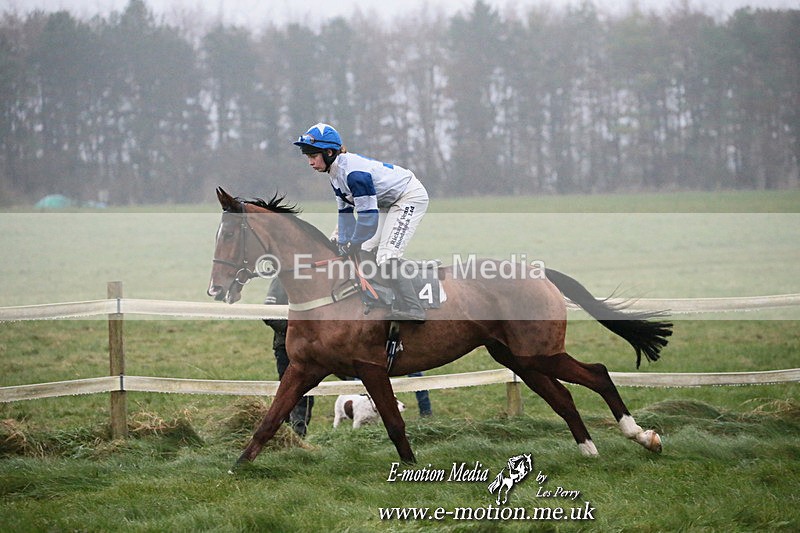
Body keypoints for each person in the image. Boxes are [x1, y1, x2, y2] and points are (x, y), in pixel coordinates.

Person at [294, 122, 429, 322]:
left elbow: (367, 220)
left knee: (386, 254)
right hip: (385, 202)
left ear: (329, 152)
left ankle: (414, 308)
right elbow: (346, 213)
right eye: (308, 157)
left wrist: (352, 243)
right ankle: (384, 297)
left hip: (408, 197)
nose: (310, 162)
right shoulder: (334, 172)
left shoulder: (354, 174)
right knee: (365, 248)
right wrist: (340, 241)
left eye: (313, 156)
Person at [263, 277, 314, 437]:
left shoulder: (312, 279)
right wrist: (295, 330)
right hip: (285, 346)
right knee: (288, 390)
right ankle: (284, 433)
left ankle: (298, 436)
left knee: (306, 391)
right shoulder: (281, 280)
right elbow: (268, 313)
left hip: (308, 347)